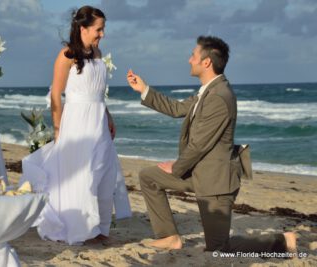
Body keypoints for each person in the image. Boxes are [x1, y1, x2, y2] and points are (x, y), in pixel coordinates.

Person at [126, 36, 297, 255]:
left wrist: (177, 167)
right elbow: (177, 108)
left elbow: (198, 145)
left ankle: (281, 242)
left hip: (216, 182)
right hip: (197, 172)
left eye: (193, 55)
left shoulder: (219, 96)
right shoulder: (207, 91)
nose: (189, 60)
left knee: (218, 249)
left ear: (206, 62)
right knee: (149, 176)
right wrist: (144, 89)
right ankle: (169, 237)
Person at [20, 6, 131, 245]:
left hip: (98, 119)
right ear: (83, 28)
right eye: (98, 29)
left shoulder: (98, 54)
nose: (102, 34)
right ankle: (83, 229)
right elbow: (56, 94)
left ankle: (100, 227)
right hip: (77, 121)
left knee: (103, 172)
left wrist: (109, 117)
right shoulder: (66, 55)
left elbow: (99, 92)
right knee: (83, 175)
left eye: (103, 29)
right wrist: (59, 129)